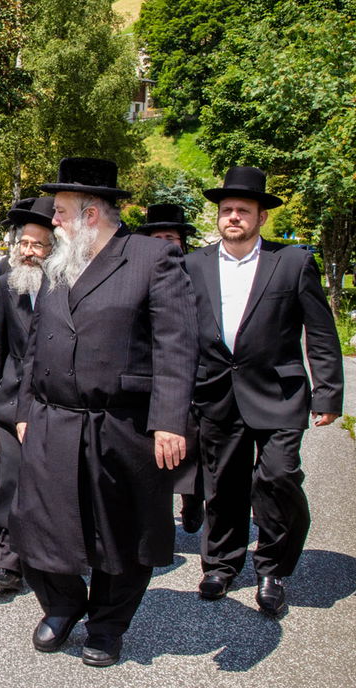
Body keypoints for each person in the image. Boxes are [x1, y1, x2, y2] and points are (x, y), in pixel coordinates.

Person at [10, 157, 196, 667]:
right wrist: (25, 406)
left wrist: (170, 421)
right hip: (52, 418)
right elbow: (36, 343)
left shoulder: (153, 259)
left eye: (62, 213)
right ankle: (64, 605)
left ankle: (108, 624)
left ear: (91, 214)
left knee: (121, 533)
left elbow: (177, 346)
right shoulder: (59, 263)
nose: (54, 223)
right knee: (35, 524)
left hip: (121, 424)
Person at [184, 166, 343, 616]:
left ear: (261, 218)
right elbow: (178, 332)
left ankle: (272, 568)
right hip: (216, 393)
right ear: (219, 216)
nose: (234, 217)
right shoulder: (194, 264)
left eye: (243, 211)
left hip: (280, 394)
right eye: (227, 210)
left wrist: (328, 393)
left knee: (277, 479)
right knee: (223, 485)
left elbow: (322, 332)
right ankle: (220, 564)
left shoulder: (292, 262)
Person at [0, 196, 57, 594]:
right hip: (12, 393)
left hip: (54, 397)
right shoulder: (5, 280)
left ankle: (45, 557)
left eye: (38, 245)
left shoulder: (69, 284)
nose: (28, 252)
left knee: (46, 479)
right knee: (10, 471)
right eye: (24, 243)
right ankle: (5, 562)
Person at [133, 202, 205, 534]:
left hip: (197, 371)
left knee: (193, 446)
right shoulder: (137, 272)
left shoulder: (198, 274)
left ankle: (193, 498)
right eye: (158, 236)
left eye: (171, 237)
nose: (164, 242)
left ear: (182, 242)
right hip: (150, 371)